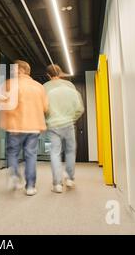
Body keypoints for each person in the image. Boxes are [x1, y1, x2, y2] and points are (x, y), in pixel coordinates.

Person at [0, 60, 48, 196]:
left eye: (14, 69)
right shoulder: (39, 87)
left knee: (12, 153)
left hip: (15, 126)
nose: (12, 72)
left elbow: (2, 102)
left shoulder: (10, 84)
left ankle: (14, 175)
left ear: (20, 70)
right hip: (33, 127)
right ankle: (30, 186)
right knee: (30, 155)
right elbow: (45, 107)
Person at [44, 64, 85, 193]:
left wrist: (47, 120)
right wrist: (72, 118)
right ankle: (70, 178)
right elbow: (79, 108)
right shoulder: (70, 86)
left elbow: (43, 108)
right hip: (68, 124)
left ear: (48, 75)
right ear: (61, 73)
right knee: (70, 151)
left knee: (55, 153)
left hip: (52, 125)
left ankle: (57, 184)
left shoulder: (44, 87)